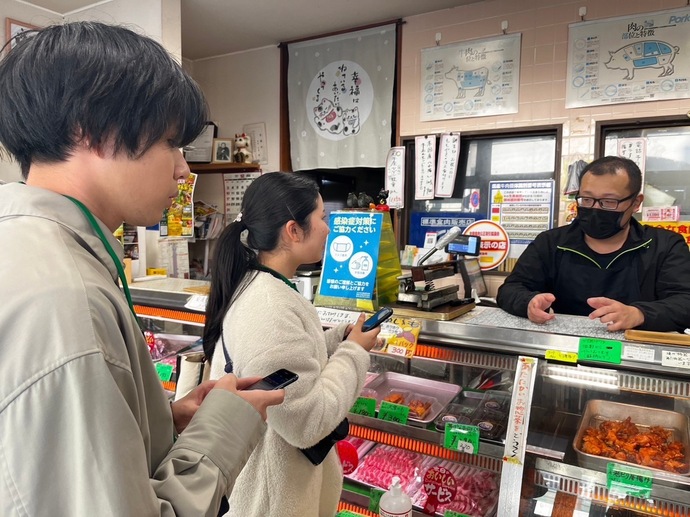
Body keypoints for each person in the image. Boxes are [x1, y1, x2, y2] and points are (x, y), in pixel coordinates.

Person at [0, 22, 284, 516]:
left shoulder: (28, 245)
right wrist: (222, 431)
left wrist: (162, 421)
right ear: (88, 129)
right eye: (171, 142)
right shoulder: (69, 301)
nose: (183, 169)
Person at [204, 172, 381, 517]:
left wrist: (337, 340)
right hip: (275, 501)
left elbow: (288, 366)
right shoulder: (269, 305)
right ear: (293, 230)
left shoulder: (263, 287)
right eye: (321, 218)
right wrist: (354, 352)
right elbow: (305, 422)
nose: (328, 228)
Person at [497, 156, 690, 332]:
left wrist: (639, 314)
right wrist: (528, 302)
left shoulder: (664, 246)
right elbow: (510, 289)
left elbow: (685, 301)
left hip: (636, 355)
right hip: (562, 350)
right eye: (587, 199)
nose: (595, 209)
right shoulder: (551, 243)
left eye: (608, 201)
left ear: (636, 202)